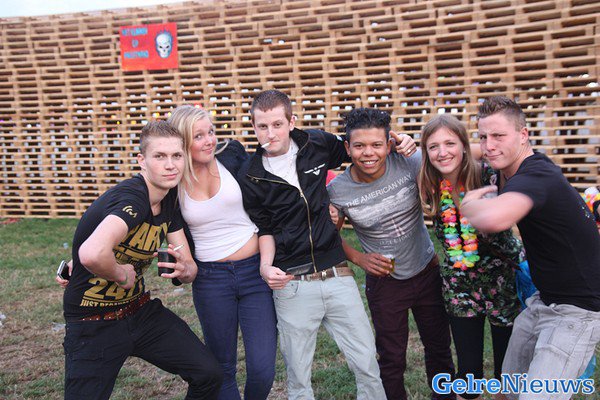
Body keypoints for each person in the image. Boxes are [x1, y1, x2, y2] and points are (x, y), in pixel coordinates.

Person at [237, 90, 414, 400]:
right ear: (253, 127)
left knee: (367, 365)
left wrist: (397, 139)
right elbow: (264, 228)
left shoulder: (316, 143)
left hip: (337, 275)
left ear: (291, 122)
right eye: (262, 126)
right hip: (292, 283)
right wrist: (265, 267)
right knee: (298, 379)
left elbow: (359, 144)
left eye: (277, 124)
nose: (270, 133)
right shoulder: (250, 175)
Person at [61, 121, 222, 400]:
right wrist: (121, 275)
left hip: (140, 313)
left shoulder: (169, 198)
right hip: (94, 321)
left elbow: (189, 267)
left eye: (176, 156)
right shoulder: (134, 198)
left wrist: (184, 269)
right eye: (159, 156)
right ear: (142, 161)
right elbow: (92, 253)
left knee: (208, 374)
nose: (170, 165)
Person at [460, 96, 600, 399]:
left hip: (577, 311)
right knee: (509, 390)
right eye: (483, 137)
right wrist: (419, 146)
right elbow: (466, 150)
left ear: (523, 135)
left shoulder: (536, 175)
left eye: (499, 136)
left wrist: (470, 206)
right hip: (544, 299)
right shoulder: (509, 164)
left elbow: (494, 219)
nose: (489, 146)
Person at [327, 108, 456, 400]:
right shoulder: (337, 190)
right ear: (347, 148)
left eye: (376, 144)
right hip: (385, 283)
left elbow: (446, 166)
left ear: (389, 144)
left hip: (426, 270)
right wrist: (359, 258)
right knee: (391, 357)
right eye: (359, 145)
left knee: (439, 348)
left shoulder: (408, 162)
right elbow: (328, 236)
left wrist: (411, 144)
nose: (368, 153)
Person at [168, 105, 277, 400]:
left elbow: (269, 185)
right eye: (199, 136)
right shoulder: (172, 182)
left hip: (255, 273)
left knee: (263, 368)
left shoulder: (232, 155)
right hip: (211, 280)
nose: (210, 141)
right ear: (182, 142)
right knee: (223, 368)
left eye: (211, 132)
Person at [418, 114, 524, 399]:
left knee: (507, 371)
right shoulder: (430, 184)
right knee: (467, 375)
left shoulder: (490, 175)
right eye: (433, 146)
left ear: (464, 145)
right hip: (460, 284)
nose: (442, 152)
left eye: (450, 143)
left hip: (503, 280)